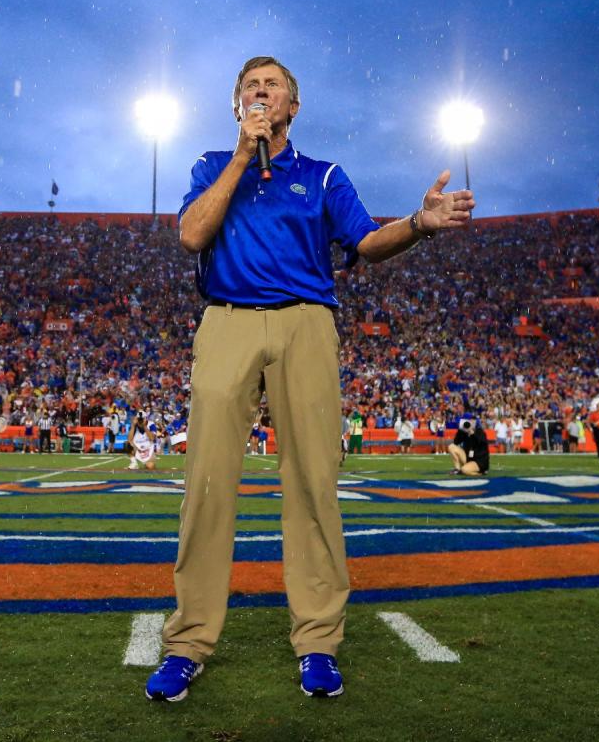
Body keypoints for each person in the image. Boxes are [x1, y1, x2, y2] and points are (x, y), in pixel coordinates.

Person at [146, 55, 475, 703]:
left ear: (293, 107)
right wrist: (243, 157)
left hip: (306, 322)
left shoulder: (324, 176)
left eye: (271, 87)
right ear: (238, 108)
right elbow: (191, 234)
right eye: (249, 88)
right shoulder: (213, 164)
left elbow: (366, 242)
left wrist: (417, 224)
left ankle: (318, 640)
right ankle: (188, 642)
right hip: (228, 318)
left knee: (313, 482)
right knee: (207, 481)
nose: (260, 94)